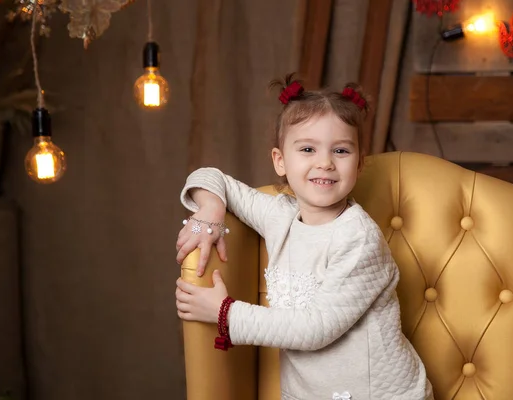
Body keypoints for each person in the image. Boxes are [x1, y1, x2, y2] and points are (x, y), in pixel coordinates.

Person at [174, 74, 433, 400]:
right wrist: (209, 211)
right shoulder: (279, 216)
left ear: (359, 163)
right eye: (308, 149)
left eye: (340, 150)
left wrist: (225, 312)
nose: (324, 163)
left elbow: (315, 329)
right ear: (280, 161)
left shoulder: (359, 239)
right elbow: (210, 176)